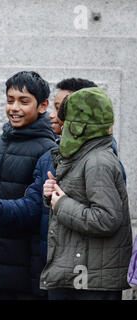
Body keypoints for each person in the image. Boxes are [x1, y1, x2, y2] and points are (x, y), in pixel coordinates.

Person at [0, 71, 56, 300]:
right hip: (0, 265)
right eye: (10, 100)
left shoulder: (50, 150)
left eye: (24, 101)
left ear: (43, 105)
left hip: (32, 267)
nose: (14, 108)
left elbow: (38, 208)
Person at [40, 87, 132, 300]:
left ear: (81, 127)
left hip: (90, 283)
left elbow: (107, 219)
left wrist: (61, 204)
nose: (62, 127)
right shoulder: (84, 154)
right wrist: (52, 194)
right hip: (77, 275)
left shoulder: (97, 161)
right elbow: (79, 197)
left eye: (67, 122)